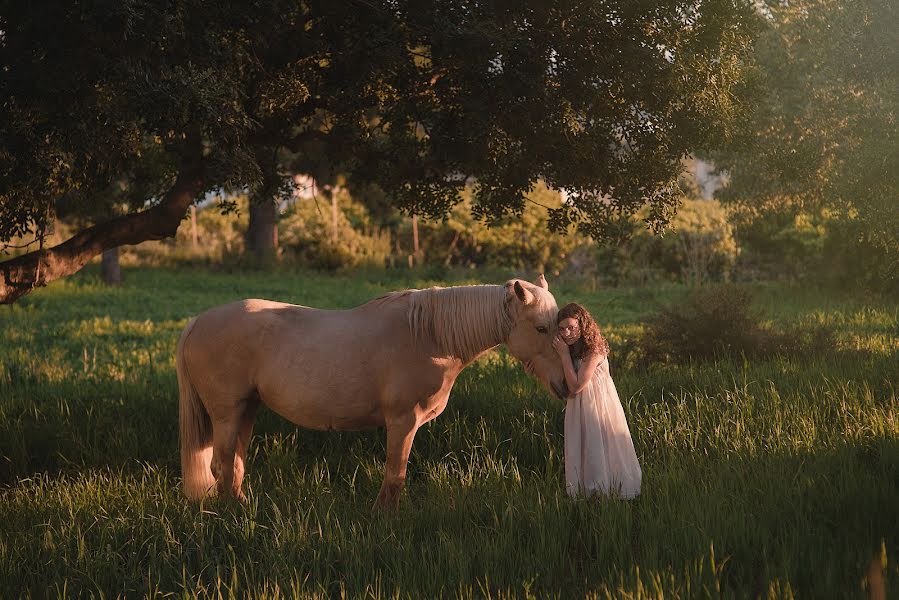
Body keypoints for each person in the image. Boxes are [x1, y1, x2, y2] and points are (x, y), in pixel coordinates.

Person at [553, 303, 641, 499]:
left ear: (583, 325)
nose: (567, 333)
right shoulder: (572, 348)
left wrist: (564, 355)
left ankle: (605, 491)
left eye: (571, 327)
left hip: (597, 406)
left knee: (599, 446)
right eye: (562, 328)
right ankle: (585, 492)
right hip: (578, 407)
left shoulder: (594, 349)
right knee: (582, 446)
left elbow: (577, 386)